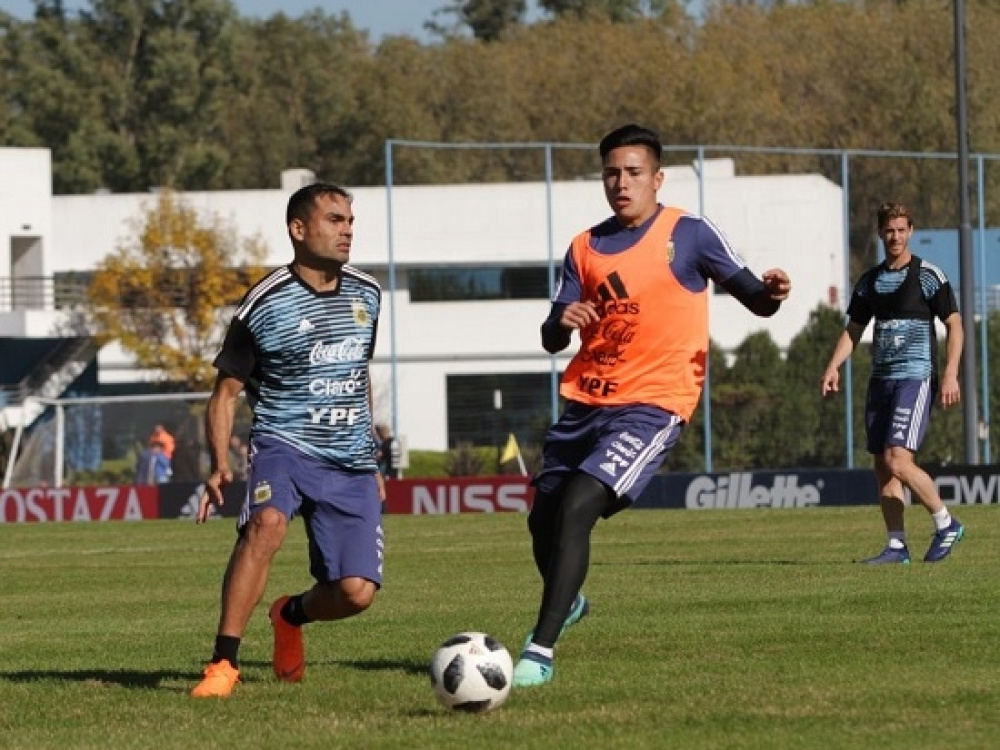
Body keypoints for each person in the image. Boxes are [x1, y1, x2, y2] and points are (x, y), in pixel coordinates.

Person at [513, 123, 792, 687]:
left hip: (655, 404)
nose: (622, 183)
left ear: (657, 178)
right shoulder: (583, 247)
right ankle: (568, 601)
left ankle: (539, 649)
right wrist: (561, 320)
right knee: (543, 521)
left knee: (579, 506)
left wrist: (773, 292)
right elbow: (550, 337)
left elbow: (755, 299)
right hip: (585, 402)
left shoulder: (688, 234)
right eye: (611, 173)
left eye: (634, 173)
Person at [190, 182, 386, 698]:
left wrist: (372, 457)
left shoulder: (368, 294)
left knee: (356, 594)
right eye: (334, 220)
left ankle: (290, 615)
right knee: (267, 525)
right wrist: (219, 465)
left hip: (350, 460)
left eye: (350, 221)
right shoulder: (265, 302)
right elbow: (225, 393)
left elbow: (358, 373)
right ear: (299, 229)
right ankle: (223, 663)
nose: (347, 230)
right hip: (284, 446)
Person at [820, 201, 964, 566]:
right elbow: (854, 329)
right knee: (884, 466)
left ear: (910, 231)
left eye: (901, 230)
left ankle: (946, 524)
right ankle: (897, 546)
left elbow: (955, 324)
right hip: (880, 381)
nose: (895, 237)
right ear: (880, 233)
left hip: (915, 377)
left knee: (899, 460)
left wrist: (950, 373)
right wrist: (833, 366)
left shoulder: (928, 275)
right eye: (889, 230)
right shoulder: (870, 281)